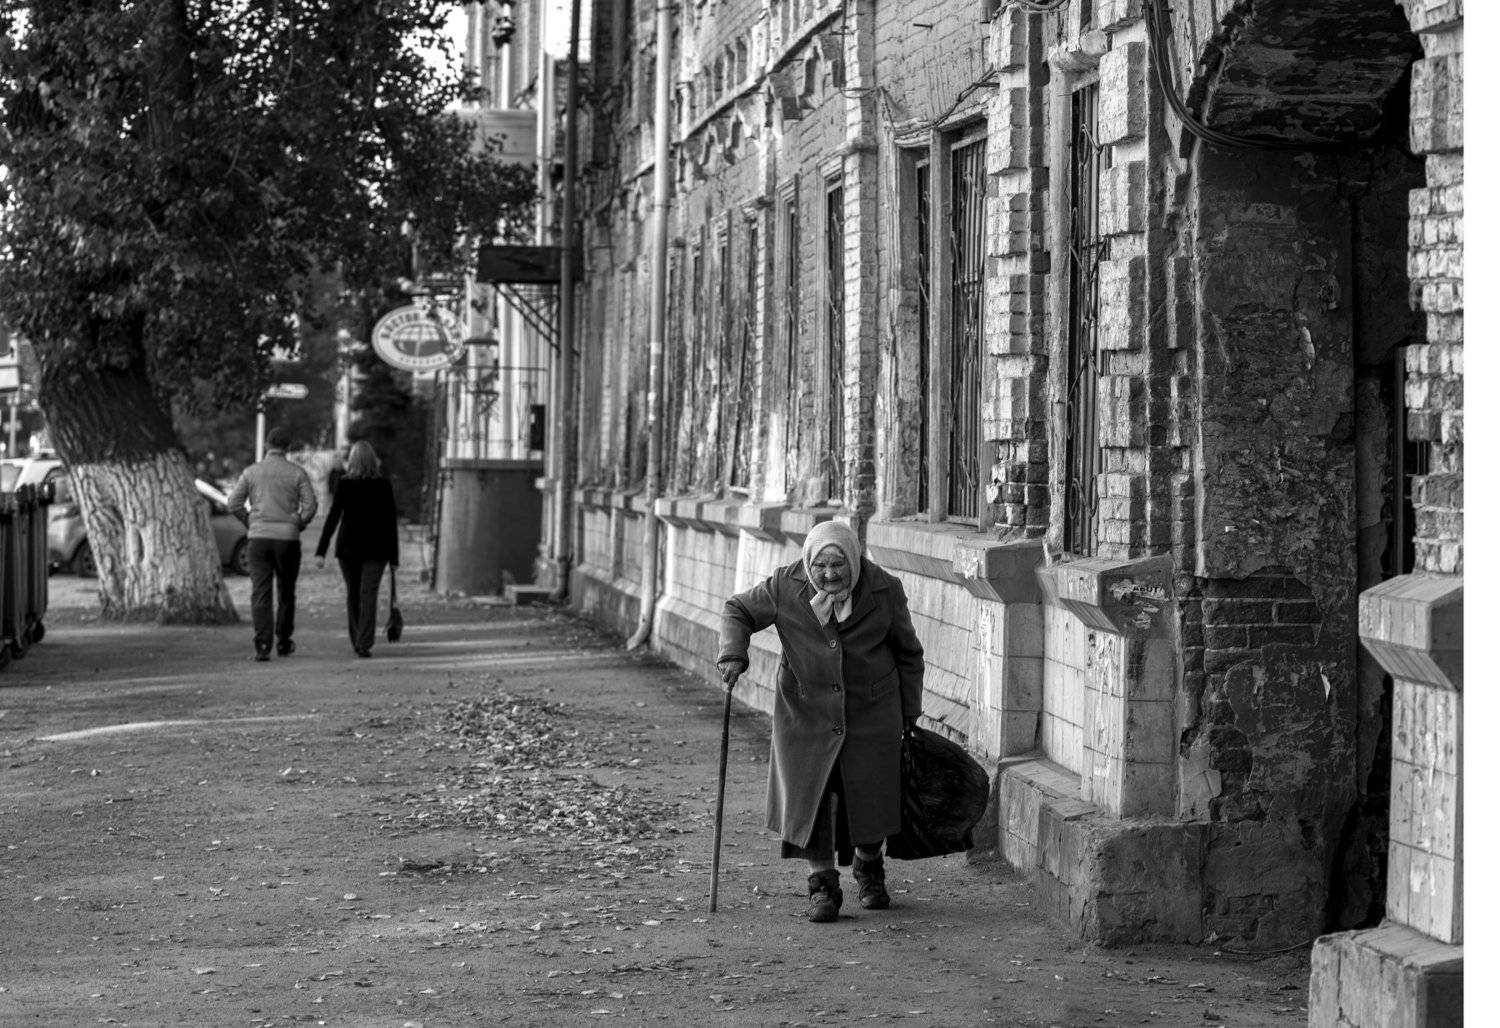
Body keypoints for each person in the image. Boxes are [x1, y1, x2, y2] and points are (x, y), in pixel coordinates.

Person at [716, 520, 924, 923]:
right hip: (805, 713)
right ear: (808, 562)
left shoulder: (884, 588)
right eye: (820, 566)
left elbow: (908, 653)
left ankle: (868, 865)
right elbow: (737, 610)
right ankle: (822, 886)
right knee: (814, 800)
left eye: (838, 565)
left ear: (854, 560)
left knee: (870, 798)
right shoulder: (784, 585)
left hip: (871, 711)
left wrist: (908, 711)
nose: (828, 575)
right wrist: (732, 654)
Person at [228, 427, 318, 661]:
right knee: (286, 591)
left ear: (267, 445)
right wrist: (298, 522)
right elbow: (310, 506)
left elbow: (234, 503)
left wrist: (250, 520)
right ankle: (284, 641)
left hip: (258, 538)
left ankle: (263, 644)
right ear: (287, 447)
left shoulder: (251, 472)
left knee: (261, 592)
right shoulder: (297, 473)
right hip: (288, 539)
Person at [314, 440, 399, 658]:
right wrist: (394, 558)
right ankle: (364, 642)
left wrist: (321, 550)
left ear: (352, 460)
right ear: (373, 460)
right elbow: (390, 523)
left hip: (348, 549)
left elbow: (333, 518)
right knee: (368, 594)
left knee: (354, 594)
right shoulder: (383, 485)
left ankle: (358, 640)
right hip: (377, 550)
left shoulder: (345, 485)